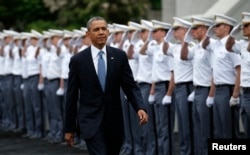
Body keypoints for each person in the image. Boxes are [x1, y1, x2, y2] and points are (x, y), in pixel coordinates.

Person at [64, 16, 148, 155]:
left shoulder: (119, 56)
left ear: (108, 32)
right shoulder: (78, 60)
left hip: (114, 121)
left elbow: (130, 85)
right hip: (90, 122)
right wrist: (69, 128)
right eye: (96, 29)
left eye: (104, 29)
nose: (101, 32)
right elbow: (71, 96)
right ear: (88, 34)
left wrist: (139, 107)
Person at [226, 12, 250, 138]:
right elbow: (228, 47)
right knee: (247, 131)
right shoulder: (242, 44)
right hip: (245, 92)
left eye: (246, 25)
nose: (243, 29)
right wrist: (232, 35)